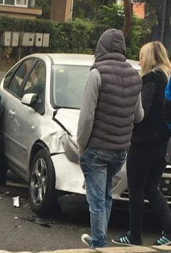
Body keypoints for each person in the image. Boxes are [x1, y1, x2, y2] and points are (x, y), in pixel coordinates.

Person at [77, 29, 144, 248]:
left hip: (96, 147)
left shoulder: (97, 74)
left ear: (101, 47)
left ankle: (98, 241)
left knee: (96, 198)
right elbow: (139, 116)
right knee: (105, 194)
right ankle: (100, 236)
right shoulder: (135, 75)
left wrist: (81, 146)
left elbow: (87, 116)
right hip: (120, 149)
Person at [112, 41, 171, 246]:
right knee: (152, 188)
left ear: (150, 58)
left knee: (136, 189)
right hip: (163, 144)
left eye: (142, 56)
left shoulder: (149, 80)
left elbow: (141, 112)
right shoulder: (167, 78)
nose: (139, 60)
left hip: (143, 142)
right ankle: (169, 231)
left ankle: (134, 235)